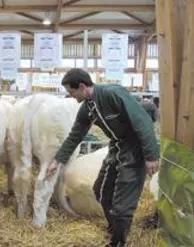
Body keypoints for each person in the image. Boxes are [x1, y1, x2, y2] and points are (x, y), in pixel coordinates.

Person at [46, 68, 159, 247]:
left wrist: (151, 155)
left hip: (134, 147)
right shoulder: (86, 109)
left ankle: (118, 241)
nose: (71, 96)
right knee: (101, 191)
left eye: (72, 91)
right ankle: (114, 226)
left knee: (123, 204)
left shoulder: (113, 94)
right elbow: (75, 135)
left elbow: (142, 121)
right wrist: (57, 160)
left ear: (82, 86)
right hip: (116, 147)